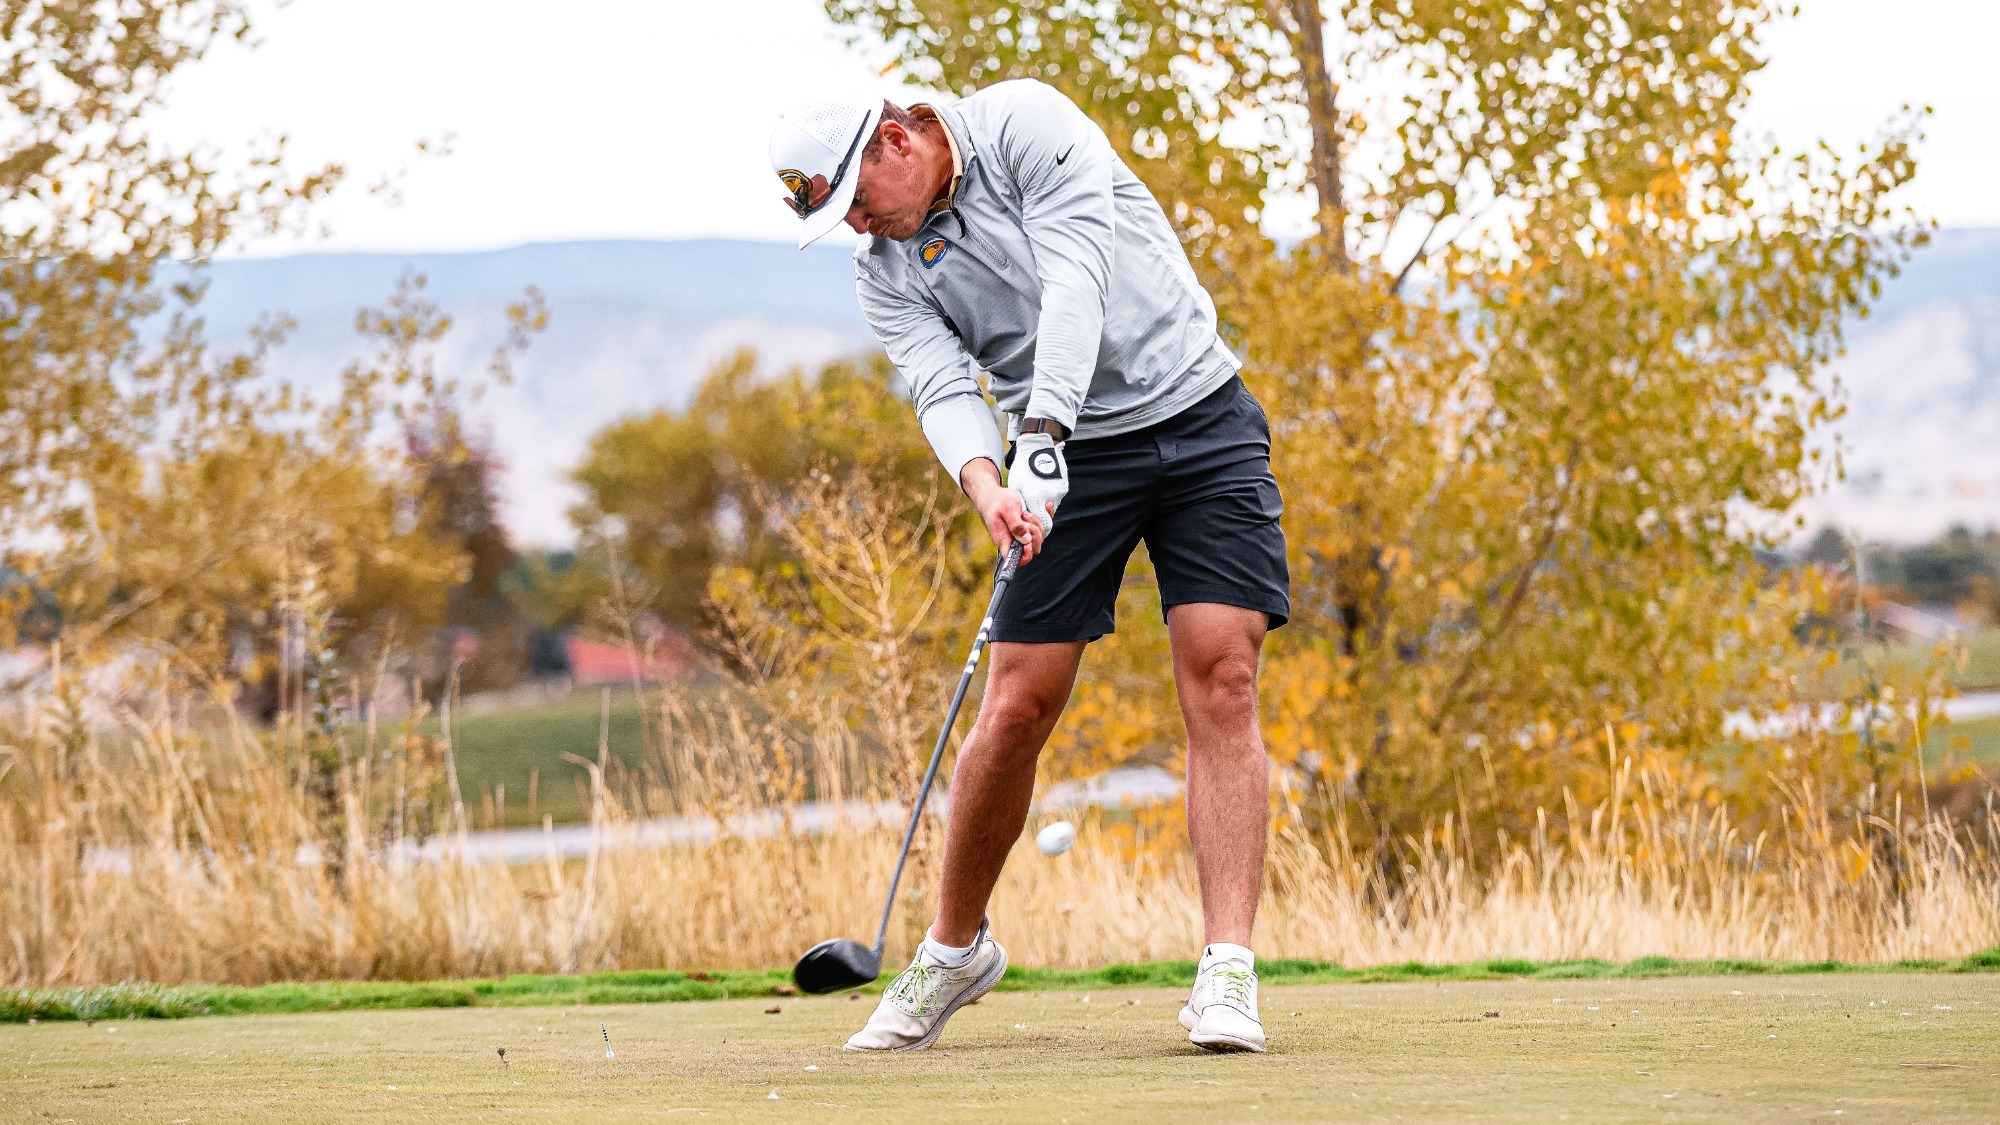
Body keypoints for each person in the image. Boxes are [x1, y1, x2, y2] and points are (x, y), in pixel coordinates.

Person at [768, 79, 1288, 1054]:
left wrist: (1041, 431)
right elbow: (938, 385)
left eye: (856, 201)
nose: (859, 227)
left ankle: (1226, 971)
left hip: (1196, 415)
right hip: (1056, 462)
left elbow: (1074, 279)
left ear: (892, 141)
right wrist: (988, 485)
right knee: (1015, 706)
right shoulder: (885, 268)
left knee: (1221, 674)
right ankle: (955, 950)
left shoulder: (1023, 126)